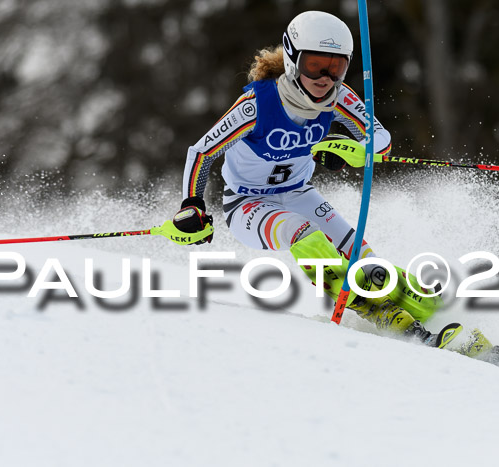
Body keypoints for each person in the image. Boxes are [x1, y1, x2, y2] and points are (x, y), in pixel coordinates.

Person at [170, 11, 463, 350]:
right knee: (302, 233)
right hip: (248, 204)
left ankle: (432, 310)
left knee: (361, 257)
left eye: (336, 67)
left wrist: (353, 149)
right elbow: (202, 152)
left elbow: (381, 140)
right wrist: (192, 205)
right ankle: (378, 313)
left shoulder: (339, 97)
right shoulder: (256, 106)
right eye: (315, 66)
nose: (325, 78)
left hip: (298, 193)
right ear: (293, 59)